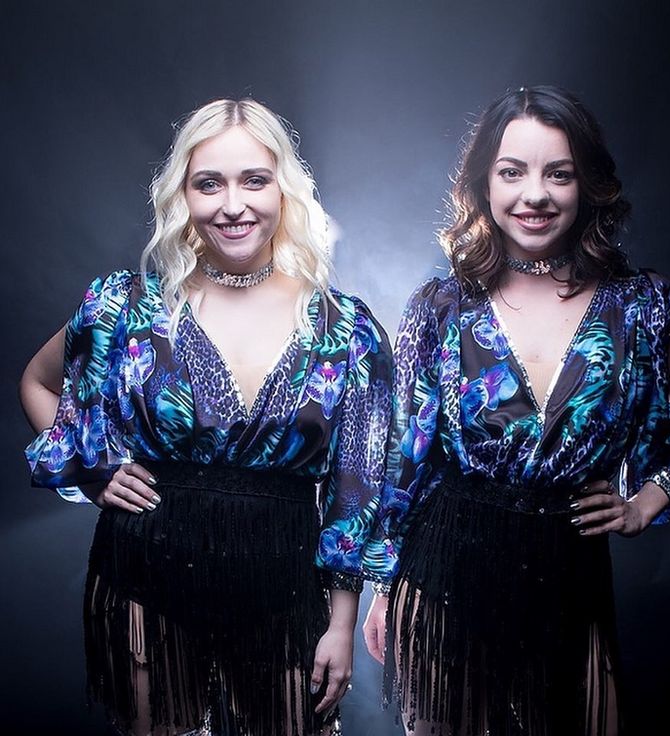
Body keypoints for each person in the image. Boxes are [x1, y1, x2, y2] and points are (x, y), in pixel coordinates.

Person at [360, 85, 670, 736]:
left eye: (557, 173)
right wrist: (384, 587)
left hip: (569, 576)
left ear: (587, 184)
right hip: (444, 570)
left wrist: (649, 498)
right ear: (485, 184)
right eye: (512, 172)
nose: (535, 194)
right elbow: (401, 460)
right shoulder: (440, 308)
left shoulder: (641, 307)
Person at [21, 98, 392, 736]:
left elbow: (357, 488)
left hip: (283, 585)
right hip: (146, 576)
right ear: (181, 195)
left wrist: (339, 623)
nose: (233, 204)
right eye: (208, 183)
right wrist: (89, 468)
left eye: (254, 180)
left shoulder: (347, 328)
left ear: (286, 187)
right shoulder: (123, 306)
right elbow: (37, 381)